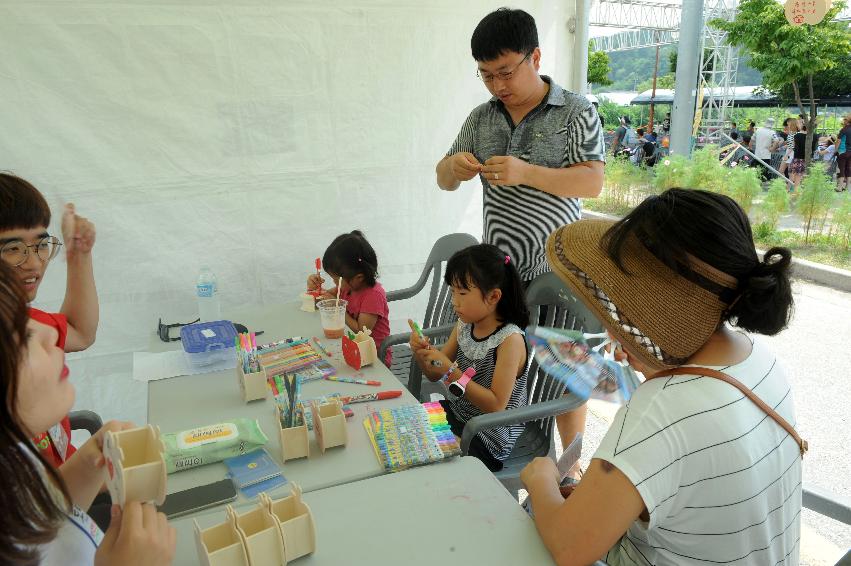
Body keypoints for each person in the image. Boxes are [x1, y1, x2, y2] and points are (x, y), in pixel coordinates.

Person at [521, 188, 801, 565]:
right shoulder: (760, 361)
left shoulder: (661, 408)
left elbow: (570, 548)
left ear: (658, 306)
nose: (615, 334)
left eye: (620, 308)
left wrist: (541, 477)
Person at [0, 261, 176, 565]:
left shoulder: (13, 455)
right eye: (25, 335)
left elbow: (40, 517)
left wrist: (87, 464)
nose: (51, 334)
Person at [436, 7, 605, 284]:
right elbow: (443, 180)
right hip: (497, 274)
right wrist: (453, 168)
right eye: (487, 75)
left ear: (535, 58)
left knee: (542, 330)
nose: (497, 85)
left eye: (506, 72)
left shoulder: (575, 110)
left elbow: (592, 183)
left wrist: (525, 173)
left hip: (558, 274)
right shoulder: (481, 117)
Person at [0, 173, 99, 468]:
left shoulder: (25, 319)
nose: (33, 263)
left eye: (41, 245)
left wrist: (78, 252)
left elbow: (79, 332)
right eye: (12, 249)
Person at [409, 244, 530, 472]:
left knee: (426, 460)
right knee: (409, 429)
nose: (454, 301)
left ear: (494, 296)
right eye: (452, 291)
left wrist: (451, 370)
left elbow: (495, 405)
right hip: (458, 414)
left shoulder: (509, 340)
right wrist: (422, 353)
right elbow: (434, 373)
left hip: (488, 435)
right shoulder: (465, 324)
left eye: (462, 293)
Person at [307, 230, 390, 355]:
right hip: (351, 348)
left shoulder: (373, 296)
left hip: (373, 356)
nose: (334, 283)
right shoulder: (348, 287)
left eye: (336, 280)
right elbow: (320, 300)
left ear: (359, 277)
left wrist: (338, 308)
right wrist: (314, 288)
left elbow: (360, 331)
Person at [837, 114, 851, 192]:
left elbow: (838, 141)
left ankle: (839, 187)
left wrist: (836, 150)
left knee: (841, 169)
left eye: (845, 119)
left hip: (843, 151)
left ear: (847, 121)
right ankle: (848, 187)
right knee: (849, 169)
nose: (843, 121)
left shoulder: (844, 129)